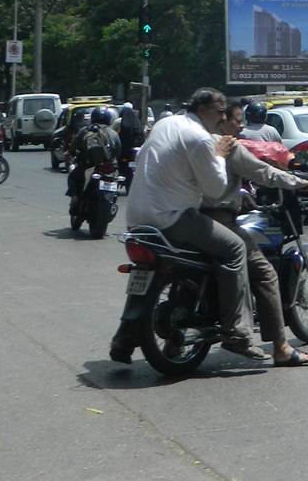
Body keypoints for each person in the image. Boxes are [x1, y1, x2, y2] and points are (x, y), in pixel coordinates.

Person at [109, 88, 266, 365]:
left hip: (137, 217)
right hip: (172, 217)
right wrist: (219, 154)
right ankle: (237, 332)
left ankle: (124, 340)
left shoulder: (165, 123)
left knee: (147, 274)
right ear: (203, 110)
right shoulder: (201, 138)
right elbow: (215, 190)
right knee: (235, 248)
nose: (223, 119)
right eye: (220, 113)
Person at [212, 101, 308, 366]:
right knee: (264, 273)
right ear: (222, 121)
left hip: (178, 216)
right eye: (236, 121)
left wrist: (241, 194)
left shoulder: (191, 140)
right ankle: (278, 346)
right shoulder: (229, 144)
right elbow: (264, 170)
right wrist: (299, 182)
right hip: (218, 218)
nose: (242, 126)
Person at [67, 107, 121, 200]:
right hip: (109, 167)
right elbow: (118, 151)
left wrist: (70, 153)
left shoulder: (85, 130)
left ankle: (75, 198)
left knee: (73, 176)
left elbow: (74, 146)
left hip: (88, 166)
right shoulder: (113, 133)